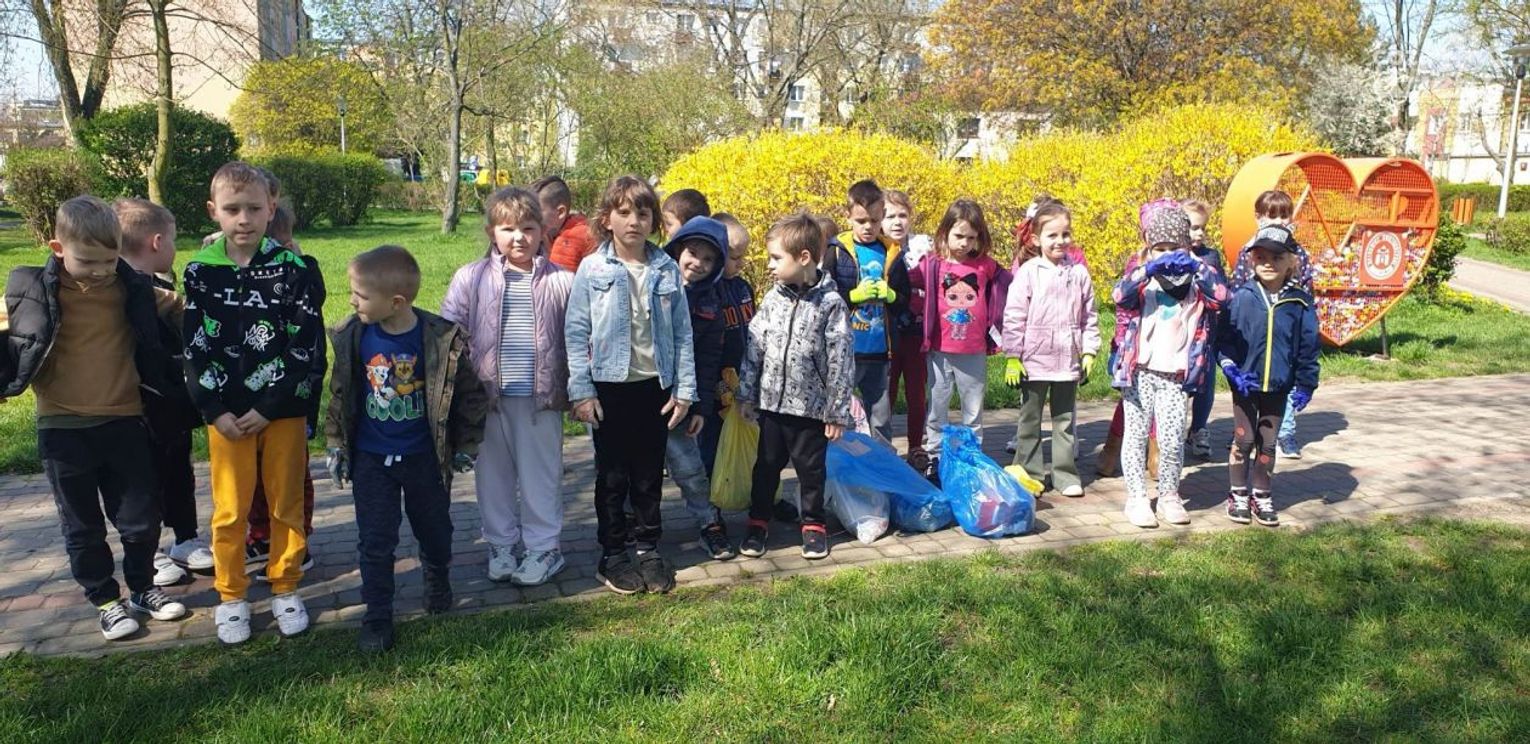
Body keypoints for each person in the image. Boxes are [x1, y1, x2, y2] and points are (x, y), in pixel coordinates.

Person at [1, 195, 188, 640]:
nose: (101, 270)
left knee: (141, 519)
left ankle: (142, 588)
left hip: (125, 421)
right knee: (82, 527)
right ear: (57, 248)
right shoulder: (31, 291)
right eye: (88, 261)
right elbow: (12, 330)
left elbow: (179, 307)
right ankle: (106, 600)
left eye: (110, 259)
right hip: (63, 429)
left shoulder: (132, 288)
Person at [184, 161, 325, 644]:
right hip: (225, 417)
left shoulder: (292, 270)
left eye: (253, 208)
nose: (243, 219)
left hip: (280, 410)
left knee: (286, 503)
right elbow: (194, 346)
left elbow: (305, 344)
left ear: (271, 208)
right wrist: (213, 409)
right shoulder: (201, 272)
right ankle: (231, 596)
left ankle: (286, 585)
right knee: (230, 509)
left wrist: (270, 404)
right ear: (214, 211)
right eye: (232, 209)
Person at [325, 245, 489, 651]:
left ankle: (437, 574)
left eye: (360, 295)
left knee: (435, 530)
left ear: (395, 302)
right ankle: (377, 615)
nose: (352, 301)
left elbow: (471, 395)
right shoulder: (354, 336)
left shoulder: (439, 339)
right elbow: (341, 395)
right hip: (371, 459)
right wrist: (337, 444)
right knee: (375, 540)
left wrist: (467, 444)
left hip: (425, 458)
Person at [566, 175, 697, 595]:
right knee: (612, 477)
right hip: (610, 389)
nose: (634, 221)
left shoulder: (665, 268)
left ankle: (647, 548)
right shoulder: (593, 268)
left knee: (648, 475)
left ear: (654, 220)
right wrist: (581, 391)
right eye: (623, 212)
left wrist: (685, 391)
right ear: (606, 219)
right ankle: (613, 554)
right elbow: (576, 331)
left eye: (643, 213)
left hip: (654, 389)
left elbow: (683, 332)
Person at [441, 187, 575, 586]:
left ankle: (544, 548)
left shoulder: (562, 281)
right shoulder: (471, 278)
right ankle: (500, 545)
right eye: (508, 229)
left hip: (540, 401)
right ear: (491, 232)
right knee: (493, 479)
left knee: (540, 478)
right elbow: (449, 334)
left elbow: (579, 337)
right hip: (488, 401)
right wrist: (457, 390)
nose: (519, 238)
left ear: (543, 231)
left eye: (528, 228)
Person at [737, 213, 854, 560]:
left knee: (811, 471)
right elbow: (754, 346)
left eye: (776, 258)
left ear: (803, 257)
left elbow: (841, 360)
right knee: (765, 467)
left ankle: (814, 525)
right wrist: (746, 393)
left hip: (811, 409)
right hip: (771, 405)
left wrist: (836, 411)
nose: (769, 265)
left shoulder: (831, 305)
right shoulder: (772, 299)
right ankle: (758, 521)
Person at [112, 198, 215, 584]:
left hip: (171, 403)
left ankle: (185, 538)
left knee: (178, 470)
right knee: (143, 479)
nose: (174, 246)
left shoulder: (163, 286)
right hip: (134, 404)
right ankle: (149, 550)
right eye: (172, 239)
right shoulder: (119, 289)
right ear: (157, 242)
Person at [1111, 202, 1228, 529]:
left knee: (1173, 438)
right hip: (1139, 372)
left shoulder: (1197, 280)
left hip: (1176, 375)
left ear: (1186, 247)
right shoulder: (1142, 278)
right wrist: (1147, 269)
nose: (1167, 255)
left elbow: (1222, 297)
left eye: (1173, 248)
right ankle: (1136, 497)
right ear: (1149, 249)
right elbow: (1119, 295)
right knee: (1136, 436)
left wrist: (1196, 266)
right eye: (1159, 249)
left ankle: (1169, 495)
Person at [1216, 224, 1319, 528]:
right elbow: (1223, 340)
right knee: (1244, 439)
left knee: (1268, 443)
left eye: (1277, 257)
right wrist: (1230, 367)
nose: (1268, 263)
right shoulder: (1241, 297)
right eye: (1261, 257)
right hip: (1245, 385)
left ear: (1291, 262)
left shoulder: (1299, 302)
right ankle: (1237, 494)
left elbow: (1309, 346)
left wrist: (1306, 383)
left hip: (1279, 386)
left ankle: (1261, 495)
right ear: (1252, 260)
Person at [1002, 199, 1099, 497]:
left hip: (1067, 361)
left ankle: (1065, 475)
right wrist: (1012, 356)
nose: (1060, 241)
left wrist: (1089, 351)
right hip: (1034, 361)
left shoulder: (1079, 273)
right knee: (1030, 420)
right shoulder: (1029, 272)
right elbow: (1014, 315)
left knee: (1064, 421)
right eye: (1052, 235)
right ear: (1036, 239)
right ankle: (1030, 473)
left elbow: (1089, 316)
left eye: (1065, 234)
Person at [247, 202, 323, 581]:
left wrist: (296, 263)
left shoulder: (301, 275)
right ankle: (262, 535)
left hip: (293, 397)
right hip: (249, 399)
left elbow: (308, 340)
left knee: (292, 476)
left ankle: (298, 541)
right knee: (254, 477)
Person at [914, 199, 1009, 481]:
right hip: (940, 349)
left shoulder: (985, 266)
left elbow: (1009, 282)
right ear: (944, 232)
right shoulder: (933, 264)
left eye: (971, 237)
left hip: (973, 350)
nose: (964, 243)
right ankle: (934, 456)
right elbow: (906, 282)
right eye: (958, 236)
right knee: (937, 406)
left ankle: (972, 456)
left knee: (973, 408)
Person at [662, 216, 733, 560]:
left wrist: (701, 407)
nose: (698, 264)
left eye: (708, 259)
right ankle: (633, 527)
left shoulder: (710, 305)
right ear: (677, 249)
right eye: (692, 253)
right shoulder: (653, 285)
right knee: (634, 469)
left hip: (684, 399)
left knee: (690, 468)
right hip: (643, 392)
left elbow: (708, 361)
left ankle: (709, 522)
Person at [833, 179, 909, 442]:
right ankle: (839, 462)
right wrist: (853, 296)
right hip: (846, 350)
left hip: (879, 350)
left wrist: (891, 295)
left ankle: (882, 461)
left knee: (880, 416)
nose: (868, 227)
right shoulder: (837, 252)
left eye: (875, 221)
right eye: (861, 221)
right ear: (848, 216)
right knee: (840, 413)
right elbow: (824, 299)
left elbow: (904, 299)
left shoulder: (891, 253)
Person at [882, 190, 931, 466]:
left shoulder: (922, 250)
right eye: (890, 216)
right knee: (884, 394)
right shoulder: (877, 250)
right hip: (885, 335)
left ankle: (915, 445)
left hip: (915, 333)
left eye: (902, 215)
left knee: (916, 393)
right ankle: (883, 445)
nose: (897, 222)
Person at [705, 213, 755, 474]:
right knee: (715, 446)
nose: (741, 263)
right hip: (718, 384)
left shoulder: (743, 287)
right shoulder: (707, 292)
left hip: (744, 377)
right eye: (735, 257)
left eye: (743, 256)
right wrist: (715, 382)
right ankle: (713, 493)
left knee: (748, 442)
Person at [1182, 198, 1226, 460]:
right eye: (1193, 228)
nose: (1198, 234)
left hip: (1206, 333)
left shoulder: (1210, 256)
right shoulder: (1170, 255)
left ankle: (1199, 429)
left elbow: (1221, 287)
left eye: (1202, 228)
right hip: (1180, 334)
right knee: (1180, 386)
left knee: (1206, 386)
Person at [533, 175, 596, 273]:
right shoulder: (579, 225)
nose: (530, 218)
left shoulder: (570, 239)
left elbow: (555, 280)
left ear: (560, 212)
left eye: (536, 212)